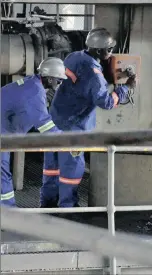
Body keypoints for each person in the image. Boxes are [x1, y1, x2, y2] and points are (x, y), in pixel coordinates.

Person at [41, 28, 136, 208]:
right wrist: (126, 88)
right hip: (74, 127)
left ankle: (47, 204)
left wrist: (105, 75)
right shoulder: (94, 73)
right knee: (71, 170)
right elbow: (106, 101)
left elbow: (81, 84)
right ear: (100, 51)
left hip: (55, 120)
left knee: (51, 167)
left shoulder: (73, 57)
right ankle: (68, 210)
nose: (111, 52)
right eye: (109, 49)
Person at [1, 58, 67, 207]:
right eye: (59, 80)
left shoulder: (33, 82)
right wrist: (68, 140)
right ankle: (8, 212)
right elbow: (44, 125)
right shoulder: (35, 92)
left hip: (4, 131)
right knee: (2, 173)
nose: (60, 83)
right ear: (50, 78)